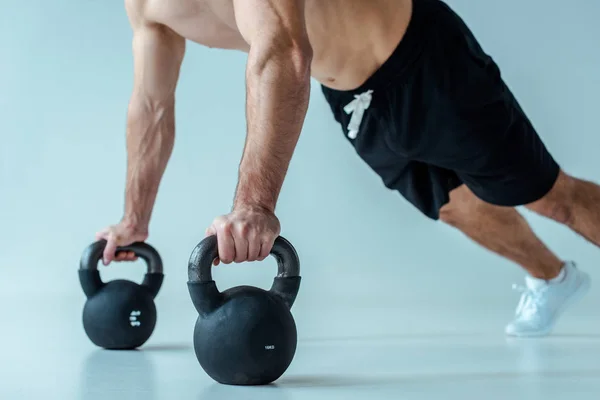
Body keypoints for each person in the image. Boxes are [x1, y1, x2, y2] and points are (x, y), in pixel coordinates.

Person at [96, 0, 598, 337]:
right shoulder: (144, 5)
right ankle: (554, 279)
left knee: (547, 195)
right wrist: (133, 218)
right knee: (453, 205)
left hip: (421, 60)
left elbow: (284, 50)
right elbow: (151, 105)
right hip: (354, 96)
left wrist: (254, 205)